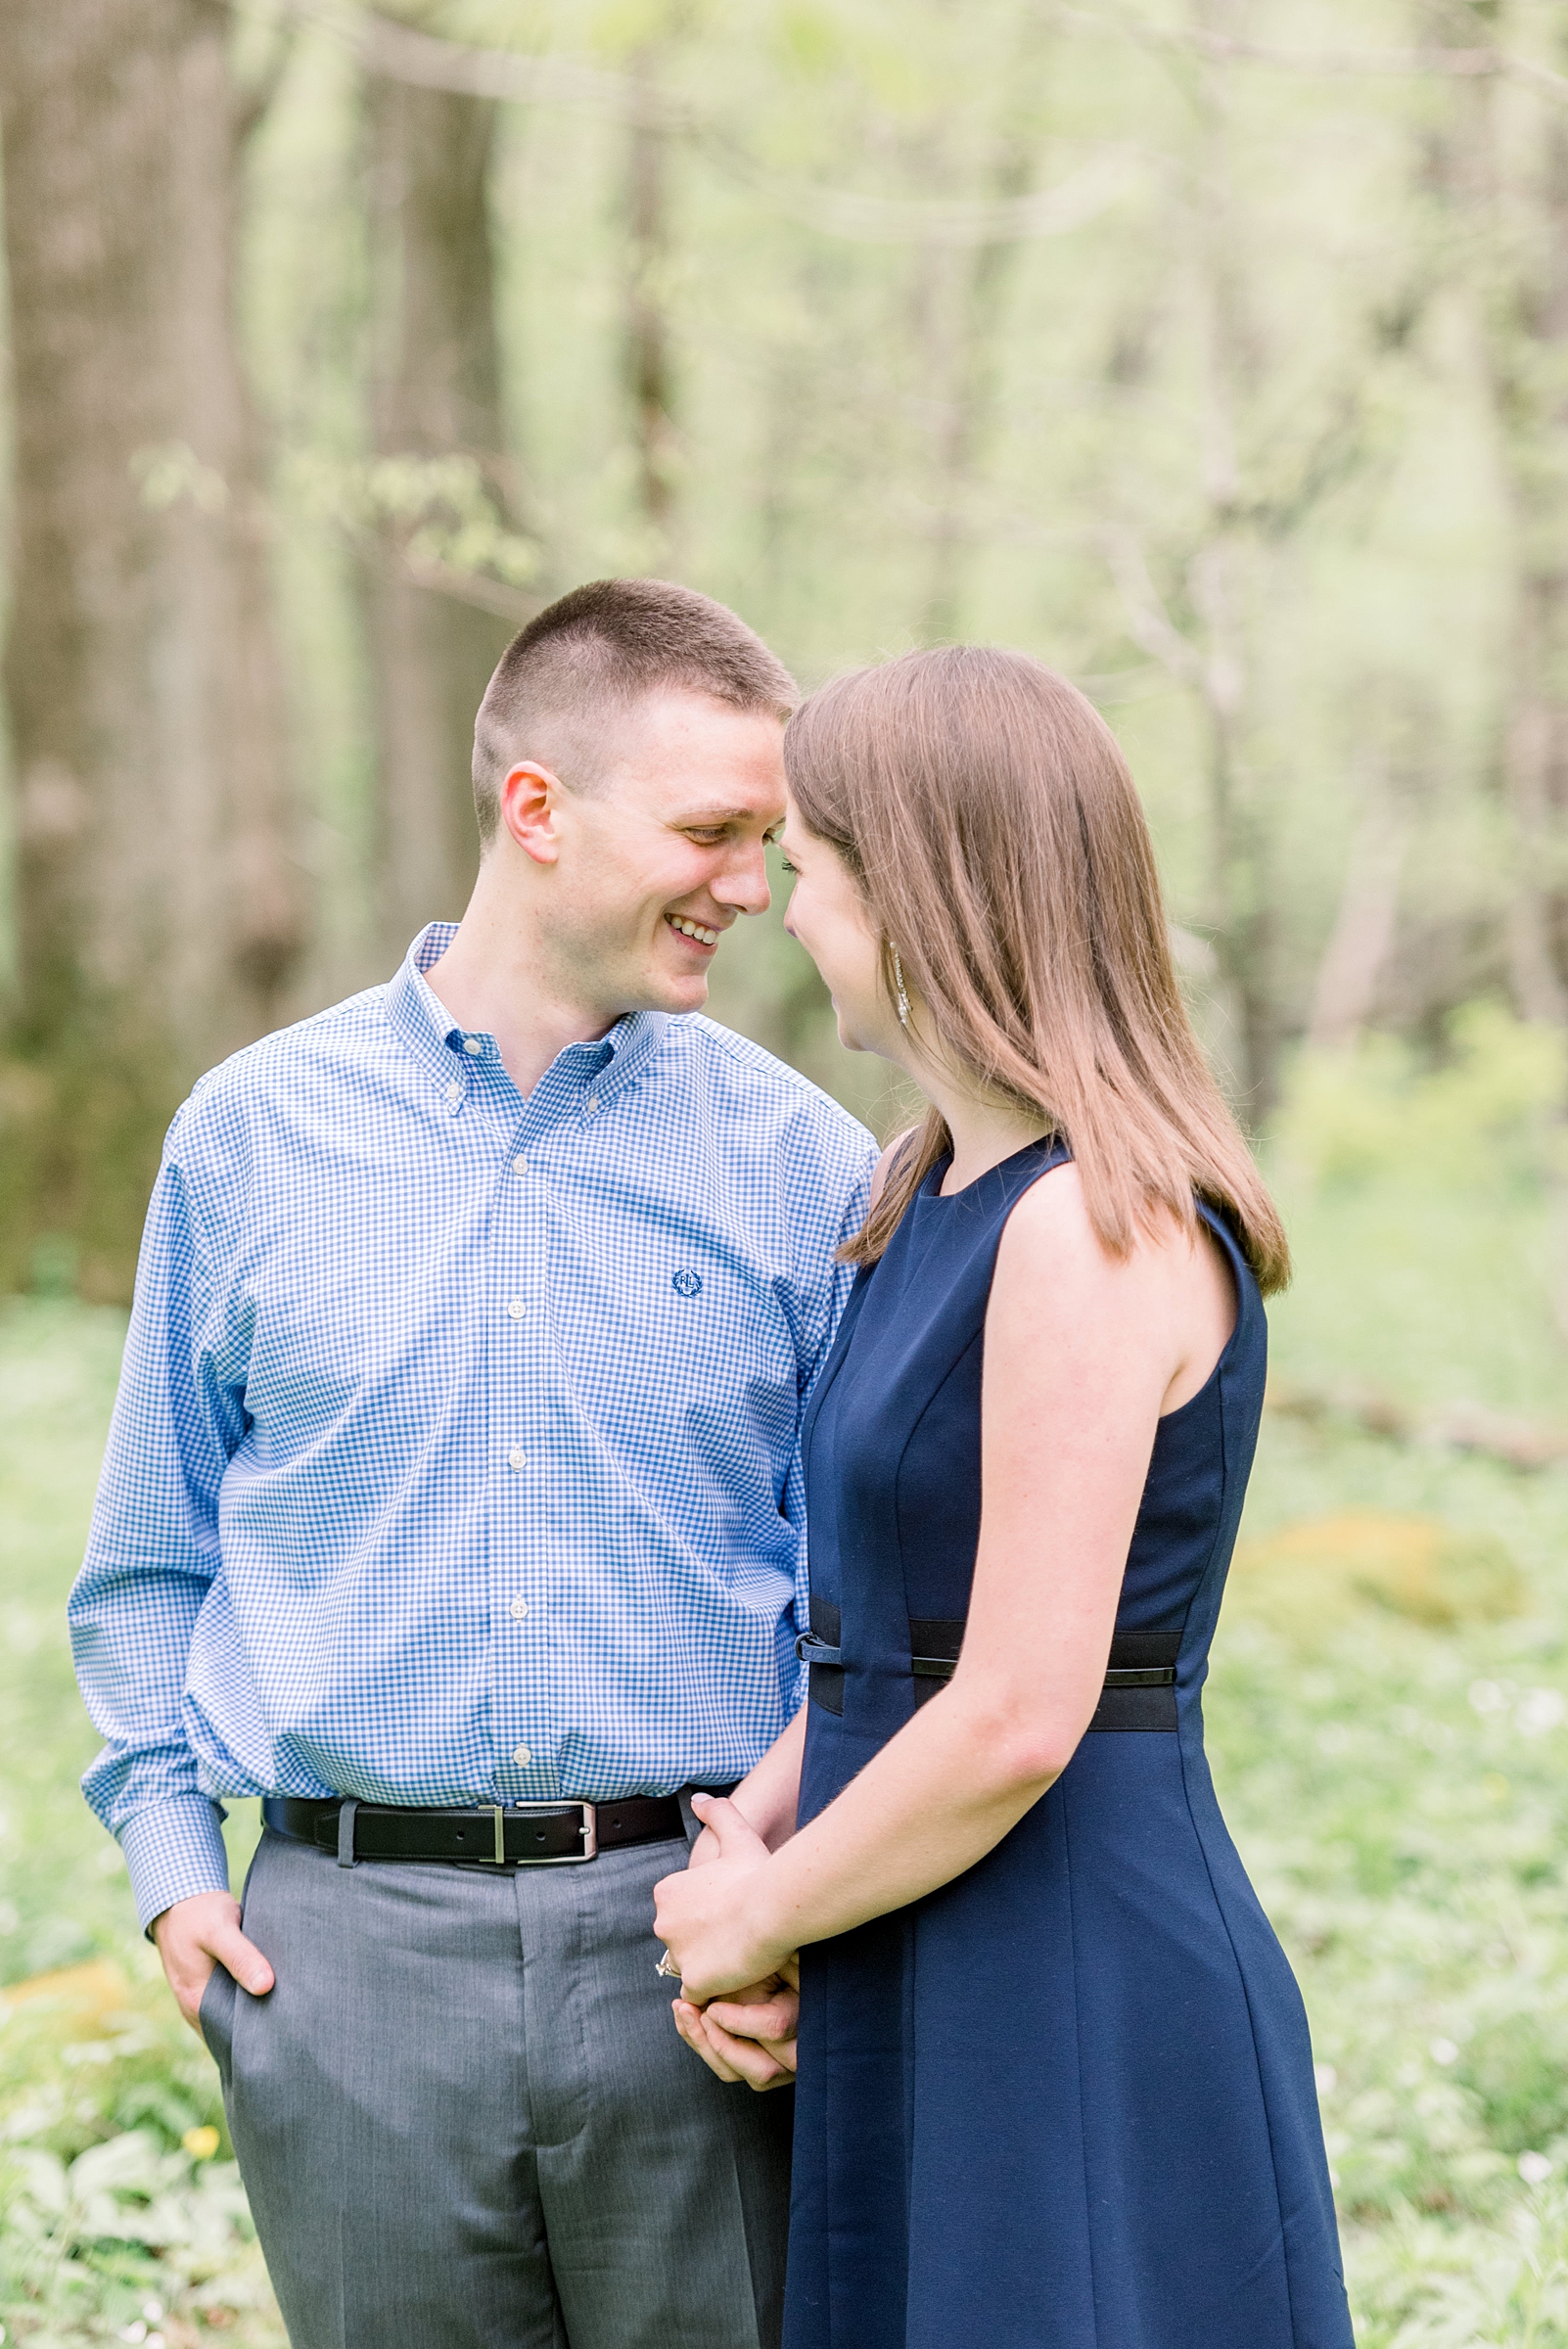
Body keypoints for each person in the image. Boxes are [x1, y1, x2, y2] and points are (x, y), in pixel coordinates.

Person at [69, 578, 878, 2349]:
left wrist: (801, 1900)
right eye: (712, 831)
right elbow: (149, 1558)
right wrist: (170, 1865)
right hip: (342, 1975)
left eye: (769, 839)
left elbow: (872, 1602)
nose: (752, 884)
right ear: (538, 811)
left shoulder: (802, 1166)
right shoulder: (252, 1137)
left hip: (694, 1945)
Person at [654, 646, 1356, 2349]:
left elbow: (1020, 1711)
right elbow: (889, 1631)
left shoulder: (1090, 1226)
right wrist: (747, 1846)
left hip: (1066, 1968)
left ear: (921, 894)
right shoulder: (924, 1192)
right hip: (912, 1923)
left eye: (807, 873)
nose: (781, 911)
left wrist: (757, 1913)